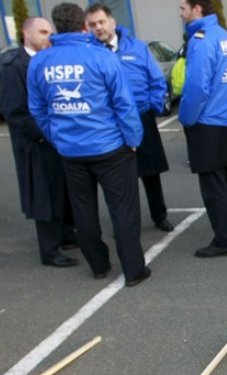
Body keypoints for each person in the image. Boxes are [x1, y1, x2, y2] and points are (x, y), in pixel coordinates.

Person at [28, 2, 149, 285]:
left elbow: (38, 109)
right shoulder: (101, 56)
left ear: (56, 26)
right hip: (110, 147)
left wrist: (58, 138)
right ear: (83, 25)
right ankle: (133, 270)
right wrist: (133, 140)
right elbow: (124, 103)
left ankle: (98, 265)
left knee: (84, 212)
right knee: (123, 210)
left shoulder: (40, 61)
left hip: (71, 151)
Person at [86, 3, 175, 233]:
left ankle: (159, 215)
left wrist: (153, 106)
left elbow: (156, 80)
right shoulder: (91, 53)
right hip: (110, 124)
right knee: (118, 180)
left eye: (101, 22)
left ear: (112, 22)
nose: (98, 28)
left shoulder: (136, 47)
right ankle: (124, 224)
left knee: (150, 172)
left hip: (141, 117)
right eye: (93, 24)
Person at [178, 0, 227, 257]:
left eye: (183, 8)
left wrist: (187, 118)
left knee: (213, 183)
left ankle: (223, 239)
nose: (181, 13)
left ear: (197, 8)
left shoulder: (201, 39)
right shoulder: (225, 36)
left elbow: (197, 86)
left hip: (209, 120)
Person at [0, 17, 78, 267]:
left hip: (55, 141)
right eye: (43, 32)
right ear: (26, 33)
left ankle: (66, 234)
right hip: (36, 145)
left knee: (63, 191)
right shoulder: (15, 67)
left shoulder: (47, 61)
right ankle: (49, 250)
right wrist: (46, 133)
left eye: (50, 32)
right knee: (46, 197)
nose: (49, 36)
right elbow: (16, 113)